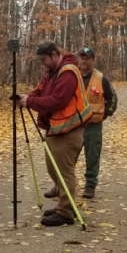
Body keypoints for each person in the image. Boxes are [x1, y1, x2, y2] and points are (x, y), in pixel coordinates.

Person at [17, 40, 92, 226]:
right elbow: (39, 92)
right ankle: (64, 205)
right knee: (53, 168)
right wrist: (26, 98)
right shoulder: (51, 73)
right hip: (56, 127)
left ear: (54, 54)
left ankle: (66, 212)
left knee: (65, 171)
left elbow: (57, 100)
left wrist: (31, 103)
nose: (42, 62)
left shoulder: (68, 73)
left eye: (44, 59)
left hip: (70, 129)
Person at [44, 47, 117, 199]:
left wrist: (106, 113)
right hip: (73, 124)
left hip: (93, 126)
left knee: (92, 157)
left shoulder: (101, 78)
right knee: (67, 159)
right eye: (82, 57)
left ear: (93, 60)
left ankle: (90, 186)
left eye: (87, 58)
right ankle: (60, 186)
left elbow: (112, 99)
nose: (83, 60)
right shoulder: (71, 74)